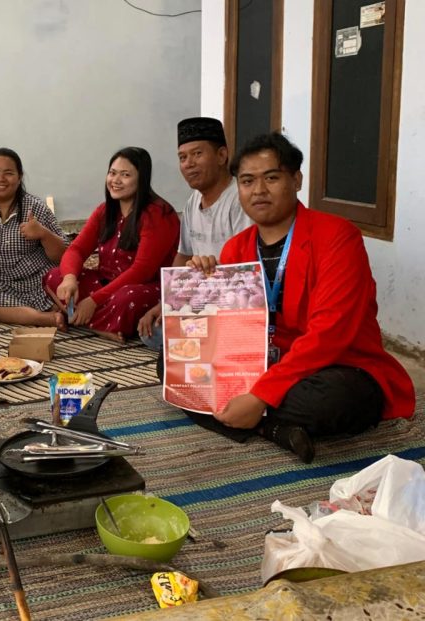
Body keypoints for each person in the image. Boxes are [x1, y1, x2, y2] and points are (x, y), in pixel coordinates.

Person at [185, 132, 415, 463]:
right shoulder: (236, 248)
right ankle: (274, 430)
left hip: (336, 364)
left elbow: (330, 333)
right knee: (176, 368)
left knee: (336, 399)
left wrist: (260, 395)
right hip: (266, 361)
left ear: (296, 180)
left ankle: (252, 416)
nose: (258, 190)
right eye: (247, 181)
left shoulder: (337, 236)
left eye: (271, 178)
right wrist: (199, 285)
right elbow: (229, 331)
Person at [138, 117, 252, 351]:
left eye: (197, 154)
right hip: (199, 300)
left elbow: (247, 269)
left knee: (173, 338)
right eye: (183, 157)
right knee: (152, 332)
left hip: (233, 301)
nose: (189, 163)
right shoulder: (192, 202)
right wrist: (166, 303)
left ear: (221, 156)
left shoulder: (239, 199)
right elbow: (182, 256)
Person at [44, 147, 180, 342]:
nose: (116, 180)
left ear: (142, 179)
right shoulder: (105, 210)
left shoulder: (157, 213)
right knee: (55, 275)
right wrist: (69, 279)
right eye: (112, 173)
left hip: (144, 287)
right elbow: (77, 249)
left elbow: (143, 270)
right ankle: (104, 326)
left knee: (128, 298)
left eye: (125, 175)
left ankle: (80, 318)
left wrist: (93, 301)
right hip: (105, 284)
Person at [0, 147, 69, 325]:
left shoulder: (35, 207)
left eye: (8, 173)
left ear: (19, 177)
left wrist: (43, 233)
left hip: (39, 281)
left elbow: (65, 254)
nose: (0, 179)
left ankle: (47, 311)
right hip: (0, 285)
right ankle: (44, 318)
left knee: (68, 290)